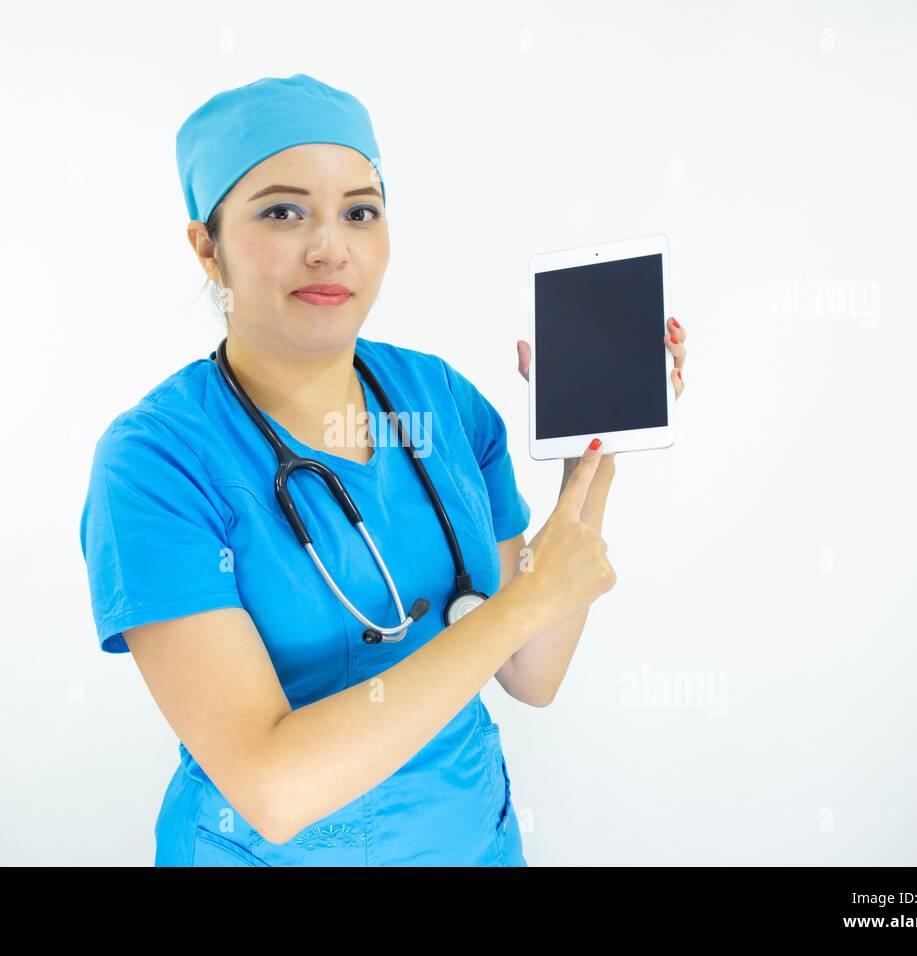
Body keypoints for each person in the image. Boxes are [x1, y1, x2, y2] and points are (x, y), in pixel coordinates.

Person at [79, 73, 689, 866]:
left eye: (360, 211)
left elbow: (532, 672)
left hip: (479, 844)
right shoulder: (156, 464)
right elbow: (272, 790)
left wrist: (591, 460)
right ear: (208, 247)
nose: (330, 245)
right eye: (282, 211)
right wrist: (522, 604)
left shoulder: (440, 400)